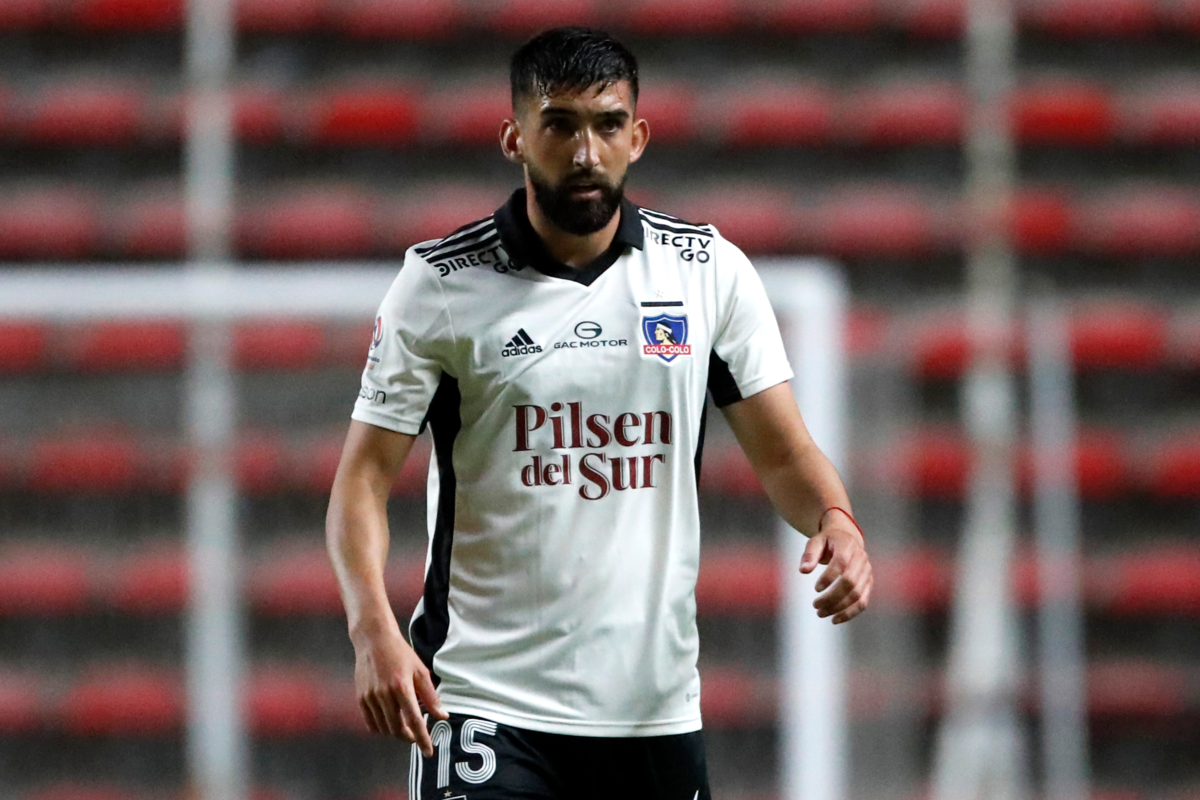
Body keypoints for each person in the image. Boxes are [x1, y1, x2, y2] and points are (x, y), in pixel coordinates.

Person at [326, 26, 873, 800]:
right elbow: (361, 482)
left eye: (608, 124)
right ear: (515, 138)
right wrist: (372, 629)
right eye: (561, 125)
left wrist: (837, 520)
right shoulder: (440, 284)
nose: (587, 151)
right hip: (486, 705)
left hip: (651, 713)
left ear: (638, 136)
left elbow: (784, 454)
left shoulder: (706, 273)